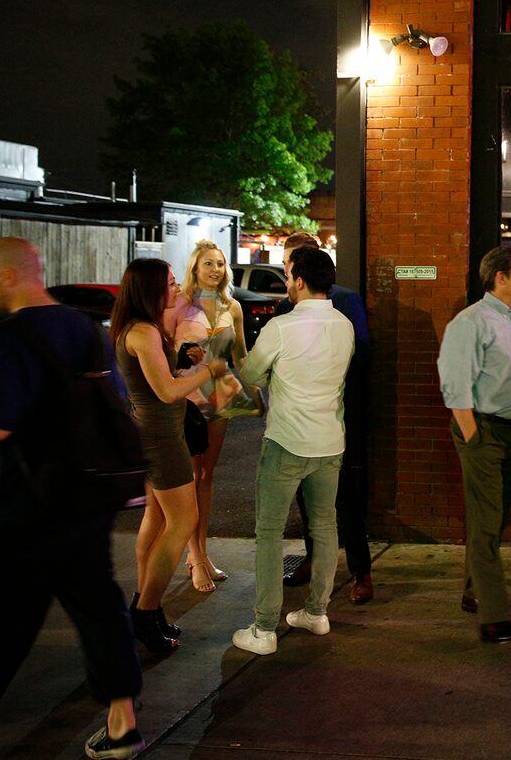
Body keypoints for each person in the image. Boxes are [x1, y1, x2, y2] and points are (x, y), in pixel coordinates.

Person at [0, 238, 145, 759]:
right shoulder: (86, 329)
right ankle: (122, 722)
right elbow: (115, 401)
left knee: (2, 606)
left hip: (26, 500)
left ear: (11, 276)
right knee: (98, 604)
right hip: (88, 493)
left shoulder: (5, 339)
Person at [230, 248, 355, 655]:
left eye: (288, 276)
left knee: (268, 533)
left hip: (286, 440)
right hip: (330, 441)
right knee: (324, 527)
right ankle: (317, 611)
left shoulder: (281, 327)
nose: (287, 283)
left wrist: (267, 373)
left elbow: (250, 373)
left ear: (299, 281)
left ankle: (264, 628)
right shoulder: (345, 326)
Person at [112, 258, 230, 653]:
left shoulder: (138, 329)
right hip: (161, 439)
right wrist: (207, 371)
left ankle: (148, 604)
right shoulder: (143, 332)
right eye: (170, 282)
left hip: (154, 434)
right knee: (183, 523)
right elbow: (165, 391)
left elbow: (156, 376)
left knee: (157, 518)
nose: (177, 287)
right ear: (149, 289)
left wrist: (183, 360)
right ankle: (145, 613)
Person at [437, 245, 511, 643]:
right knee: (487, 523)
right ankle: (493, 617)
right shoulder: (471, 322)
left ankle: (473, 592)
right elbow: (455, 385)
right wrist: (474, 438)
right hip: (485, 433)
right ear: (501, 277)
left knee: (488, 518)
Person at [276, 232, 375, 605]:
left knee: (346, 495)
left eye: (291, 265)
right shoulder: (285, 307)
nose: (287, 272)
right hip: (297, 418)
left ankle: (361, 571)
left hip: (337, 413)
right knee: (304, 492)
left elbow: (361, 352)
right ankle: (314, 558)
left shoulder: (345, 299)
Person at [170, 239, 254, 593]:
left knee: (206, 473)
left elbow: (242, 357)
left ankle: (202, 552)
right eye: (208, 263)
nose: (216, 269)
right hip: (187, 396)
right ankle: (195, 556)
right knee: (189, 474)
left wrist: (267, 383)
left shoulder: (231, 306)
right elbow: (161, 349)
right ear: (195, 267)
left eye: (220, 263)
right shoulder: (179, 304)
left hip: (221, 395)